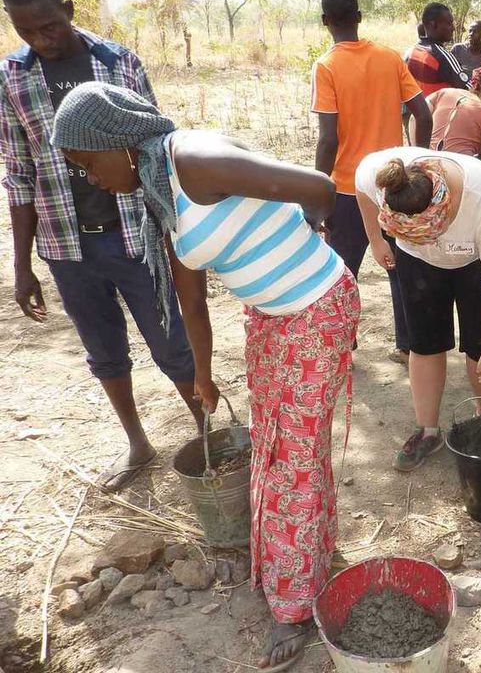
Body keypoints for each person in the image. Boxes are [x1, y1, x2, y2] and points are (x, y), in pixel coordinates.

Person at [52, 82, 359, 672]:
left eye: (87, 163)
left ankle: (294, 605)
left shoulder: (191, 160)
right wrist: (204, 377)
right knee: (275, 446)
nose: (88, 177)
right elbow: (191, 300)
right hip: (269, 318)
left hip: (317, 310)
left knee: (293, 454)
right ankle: (300, 559)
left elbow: (320, 188)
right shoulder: (159, 195)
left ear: (118, 143)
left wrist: (308, 243)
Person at [0, 0, 203, 492]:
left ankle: (207, 434)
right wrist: (22, 266)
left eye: (48, 26)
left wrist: (175, 229)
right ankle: (137, 442)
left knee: (172, 342)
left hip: (134, 234)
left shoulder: (119, 62)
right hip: (66, 245)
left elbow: (156, 145)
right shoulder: (10, 78)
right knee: (103, 351)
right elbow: (19, 175)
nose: (41, 40)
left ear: (68, 10)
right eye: (27, 32)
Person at [355, 148, 481, 469]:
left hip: (474, 264)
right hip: (418, 264)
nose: (428, 238)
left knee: (480, 346)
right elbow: (359, 183)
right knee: (424, 343)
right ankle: (427, 431)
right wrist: (377, 240)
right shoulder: (382, 176)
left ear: (444, 208)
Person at [312, 0, 429, 365]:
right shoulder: (389, 57)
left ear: (325, 20)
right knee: (401, 263)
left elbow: (328, 138)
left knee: (342, 270)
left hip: (348, 189)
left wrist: (318, 194)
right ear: (359, 17)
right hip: (392, 183)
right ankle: (408, 343)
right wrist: (415, 161)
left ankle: (344, 343)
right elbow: (422, 115)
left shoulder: (326, 66)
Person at [421, 66, 481, 166]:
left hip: (428, 160)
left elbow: (415, 117)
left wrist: (420, 150)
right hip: (459, 167)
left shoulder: (445, 92)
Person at [406, 3, 471, 97]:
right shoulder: (441, 56)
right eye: (449, 23)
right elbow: (469, 89)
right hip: (440, 110)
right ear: (434, 24)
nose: (453, 28)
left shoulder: (411, 52)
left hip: (419, 111)